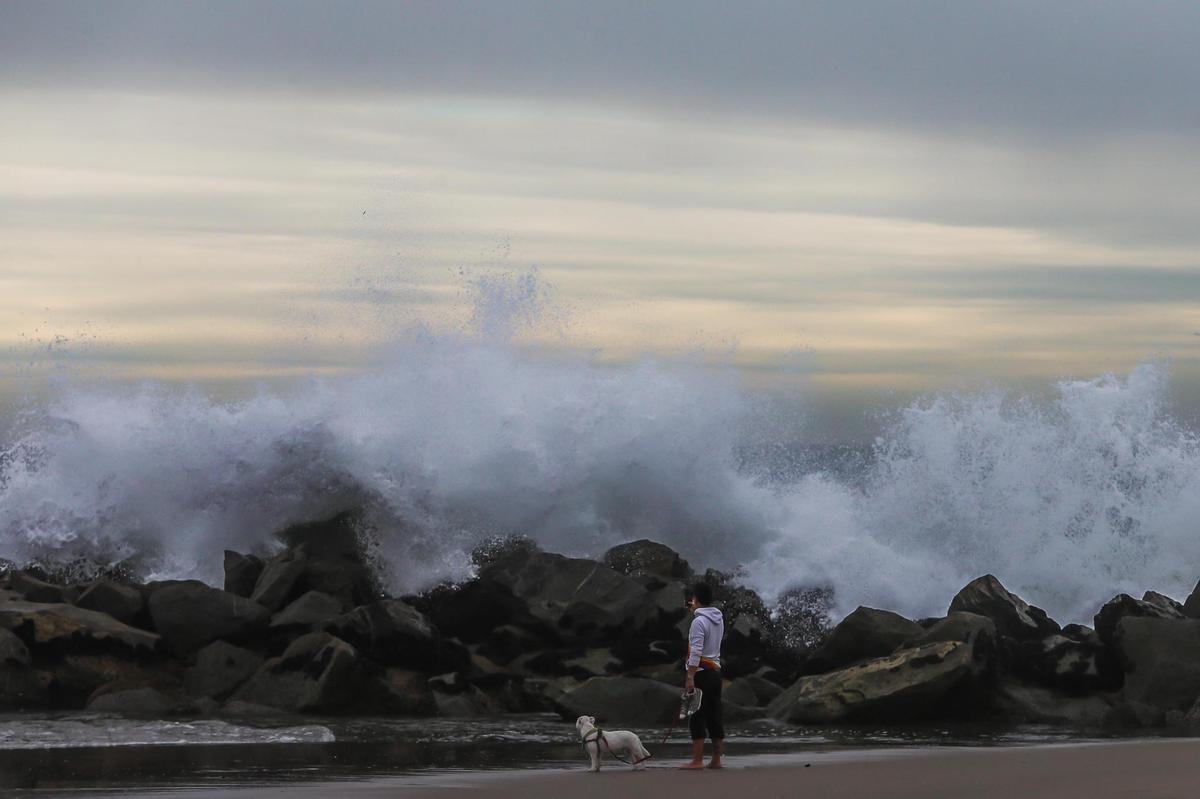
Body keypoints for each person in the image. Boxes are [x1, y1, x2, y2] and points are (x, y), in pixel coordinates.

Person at [681, 581, 724, 769]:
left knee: (696, 716)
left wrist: (690, 676)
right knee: (714, 715)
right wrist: (696, 610)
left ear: (695, 599)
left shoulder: (698, 622)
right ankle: (716, 759)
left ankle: (697, 761)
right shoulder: (718, 618)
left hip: (700, 674)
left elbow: (696, 651)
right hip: (715, 672)